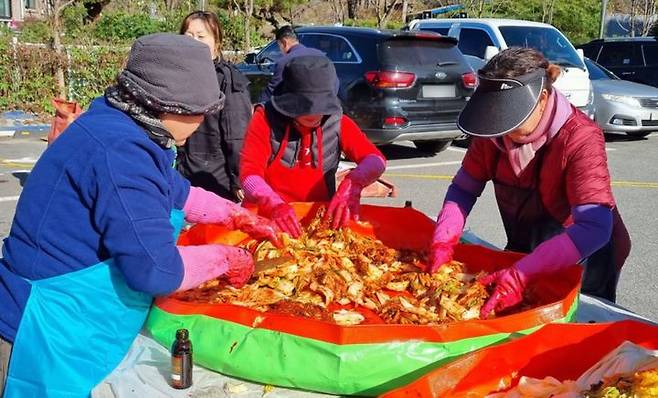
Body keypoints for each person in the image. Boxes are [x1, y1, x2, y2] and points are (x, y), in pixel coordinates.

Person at [0, 33, 280, 397]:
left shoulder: (123, 124)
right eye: (198, 113)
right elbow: (156, 270)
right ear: (168, 105)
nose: (201, 124)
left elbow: (175, 192)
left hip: (74, 321)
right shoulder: (121, 151)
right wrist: (227, 259)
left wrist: (238, 216)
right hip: (41, 330)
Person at [428, 48, 631, 318]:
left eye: (510, 119)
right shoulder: (493, 135)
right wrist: (443, 240)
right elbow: (463, 190)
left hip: (583, 261)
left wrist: (524, 272)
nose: (504, 132)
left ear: (542, 98)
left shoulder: (580, 138)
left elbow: (595, 227)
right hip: (525, 252)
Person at [240, 55, 386, 236]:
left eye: (321, 105)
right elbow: (248, 174)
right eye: (305, 106)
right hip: (266, 220)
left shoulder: (338, 122)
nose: (315, 112)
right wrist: (273, 203)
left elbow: (376, 160)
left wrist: (355, 182)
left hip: (319, 223)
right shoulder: (264, 120)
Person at [177, 10, 252, 202]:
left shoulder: (228, 80)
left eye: (201, 37)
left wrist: (239, 179)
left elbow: (238, 136)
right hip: (181, 175)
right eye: (189, 36)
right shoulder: (176, 76)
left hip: (214, 179)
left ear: (216, 44)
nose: (194, 42)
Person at [259, 25, 328, 102]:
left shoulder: (285, 62)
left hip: (300, 109)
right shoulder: (322, 56)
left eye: (279, 46)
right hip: (327, 107)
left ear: (284, 43)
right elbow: (335, 84)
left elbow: (272, 91)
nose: (280, 50)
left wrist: (259, 105)